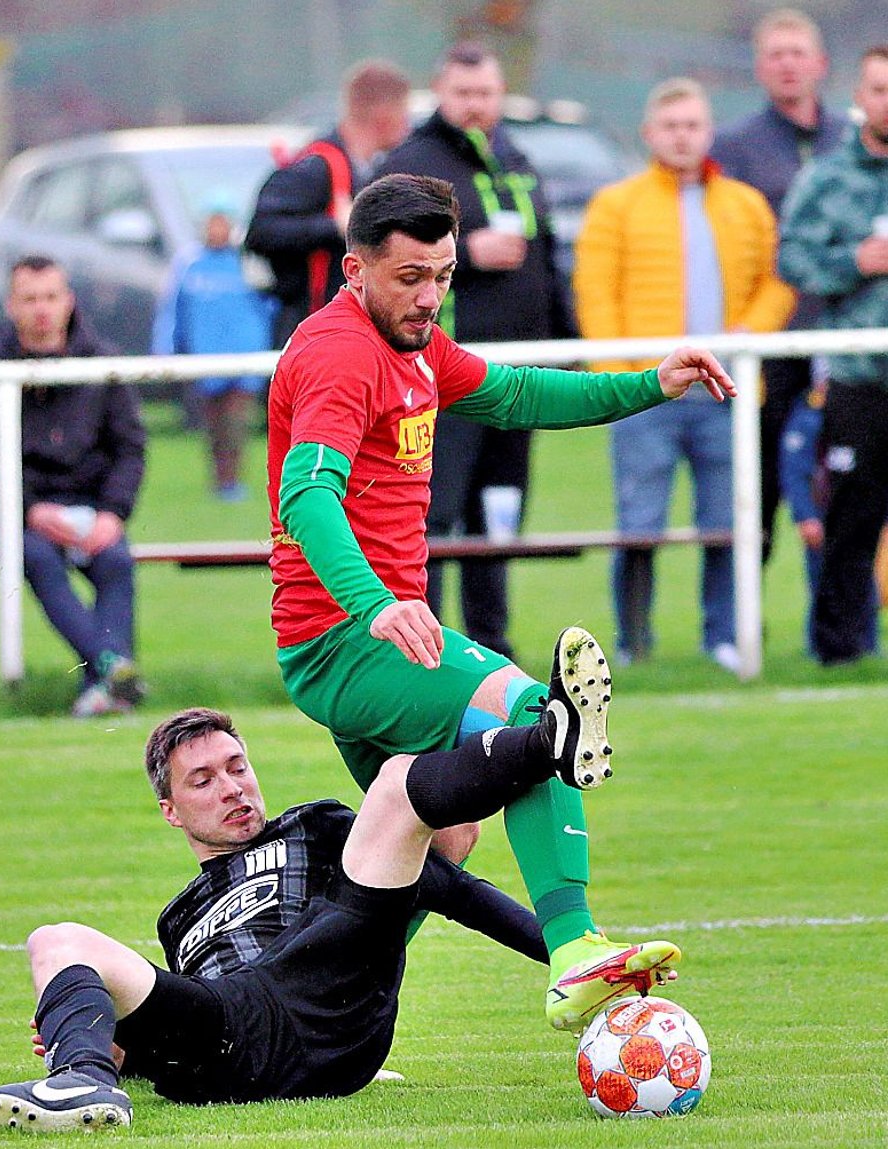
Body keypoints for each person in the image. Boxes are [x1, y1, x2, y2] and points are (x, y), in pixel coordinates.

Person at [267, 172, 732, 1024]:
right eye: (410, 277)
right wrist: (376, 602)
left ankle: (304, 1011)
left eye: (443, 275)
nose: (430, 297)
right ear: (354, 269)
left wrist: (646, 383)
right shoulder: (338, 354)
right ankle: (575, 947)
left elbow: (516, 393)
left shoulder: (419, 347)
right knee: (529, 717)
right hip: (347, 637)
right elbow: (308, 495)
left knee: (430, 838)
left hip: (369, 637)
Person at [0, 696, 680, 1130]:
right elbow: (168, 1034)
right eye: (203, 780)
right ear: (171, 810)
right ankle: (82, 1080)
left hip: (330, 988)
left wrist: (568, 954)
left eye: (237, 766)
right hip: (232, 1039)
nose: (231, 787)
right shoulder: (179, 918)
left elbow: (456, 892)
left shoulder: (314, 827)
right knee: (57, 942)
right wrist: (113, 1039)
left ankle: (548, 737)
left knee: (397, 786)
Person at [572, 78, 796, 671]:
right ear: (649, 133)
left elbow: (776, 282)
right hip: (645, 394)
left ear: (708, 131)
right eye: (670, 125)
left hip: (724, 392)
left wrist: (751, 333)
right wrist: (618, 380)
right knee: (639, 526)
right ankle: (633, 643)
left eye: (693, 125)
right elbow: (596, 296)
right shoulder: (616, 205)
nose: (682, 135)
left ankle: (723, 637)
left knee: (727, 522)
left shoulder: (745, 204)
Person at [377, 41, 576, 659]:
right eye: (464, 94)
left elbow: (548, 260)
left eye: (486, 94)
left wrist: (567, 342)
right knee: (433, 515)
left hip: (514, 373)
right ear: (439, 92)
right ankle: (426, 644)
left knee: (500, 514)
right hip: (442, 374)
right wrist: (466, 252)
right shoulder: (411, 164)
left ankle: (493, 643)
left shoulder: (516, 157)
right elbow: (386, 263)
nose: (476, 106)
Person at [0, 256, 147, 716]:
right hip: (19, 513)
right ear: (11, 306)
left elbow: (130, 449)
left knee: (116, 561)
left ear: (69, 301)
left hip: (92, 506)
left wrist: (112, 514)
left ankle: (104, 687)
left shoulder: (104, 364)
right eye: (30, 298)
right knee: (37, 556)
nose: (42, 309)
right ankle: (112, 665)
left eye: (51, 296)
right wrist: (27, 511)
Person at [710, 8, 849, 565]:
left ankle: (839, 633)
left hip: (843, 336)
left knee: (843, 483)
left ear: (820, 64)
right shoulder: (735, 146)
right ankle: (738, 626)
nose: (788, 65)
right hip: (769, 341)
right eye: (776, 54)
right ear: (760, 69)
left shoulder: (854, 139)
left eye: (798, 53)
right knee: (758, 483)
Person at [778, 44, 888, 665]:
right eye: (879, 88)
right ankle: (840, 650)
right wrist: (853, 263)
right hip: (858, 376)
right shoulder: (828, 177)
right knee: (850, 521)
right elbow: (790, 259)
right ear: (860, 95)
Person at [245, 59, 411, 348]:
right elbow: (260, 232)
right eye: (404, 113)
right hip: (309, 334)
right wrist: (334, 226)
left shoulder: (369, 168)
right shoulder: (316, 167)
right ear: (384, 117)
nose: (409, 125)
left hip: (348, 334)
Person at [155, 196, 275, 501]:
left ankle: (232, 480)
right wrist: (165, 348)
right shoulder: (189, 264)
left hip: (246, 358)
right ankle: (219, 480)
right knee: (213, 424)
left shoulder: (247, 261)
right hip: (205, 357)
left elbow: (270, 304)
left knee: (236, 422)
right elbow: (173, 309)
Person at [779, 380, 881, 656]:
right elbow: (795, 472)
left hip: (854, 510)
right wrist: (806, 516)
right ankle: (823, 647)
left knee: (863, 580)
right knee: (824, 582)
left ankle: (867, 647)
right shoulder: (808, 415)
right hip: (822, 515)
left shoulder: (867, 411)